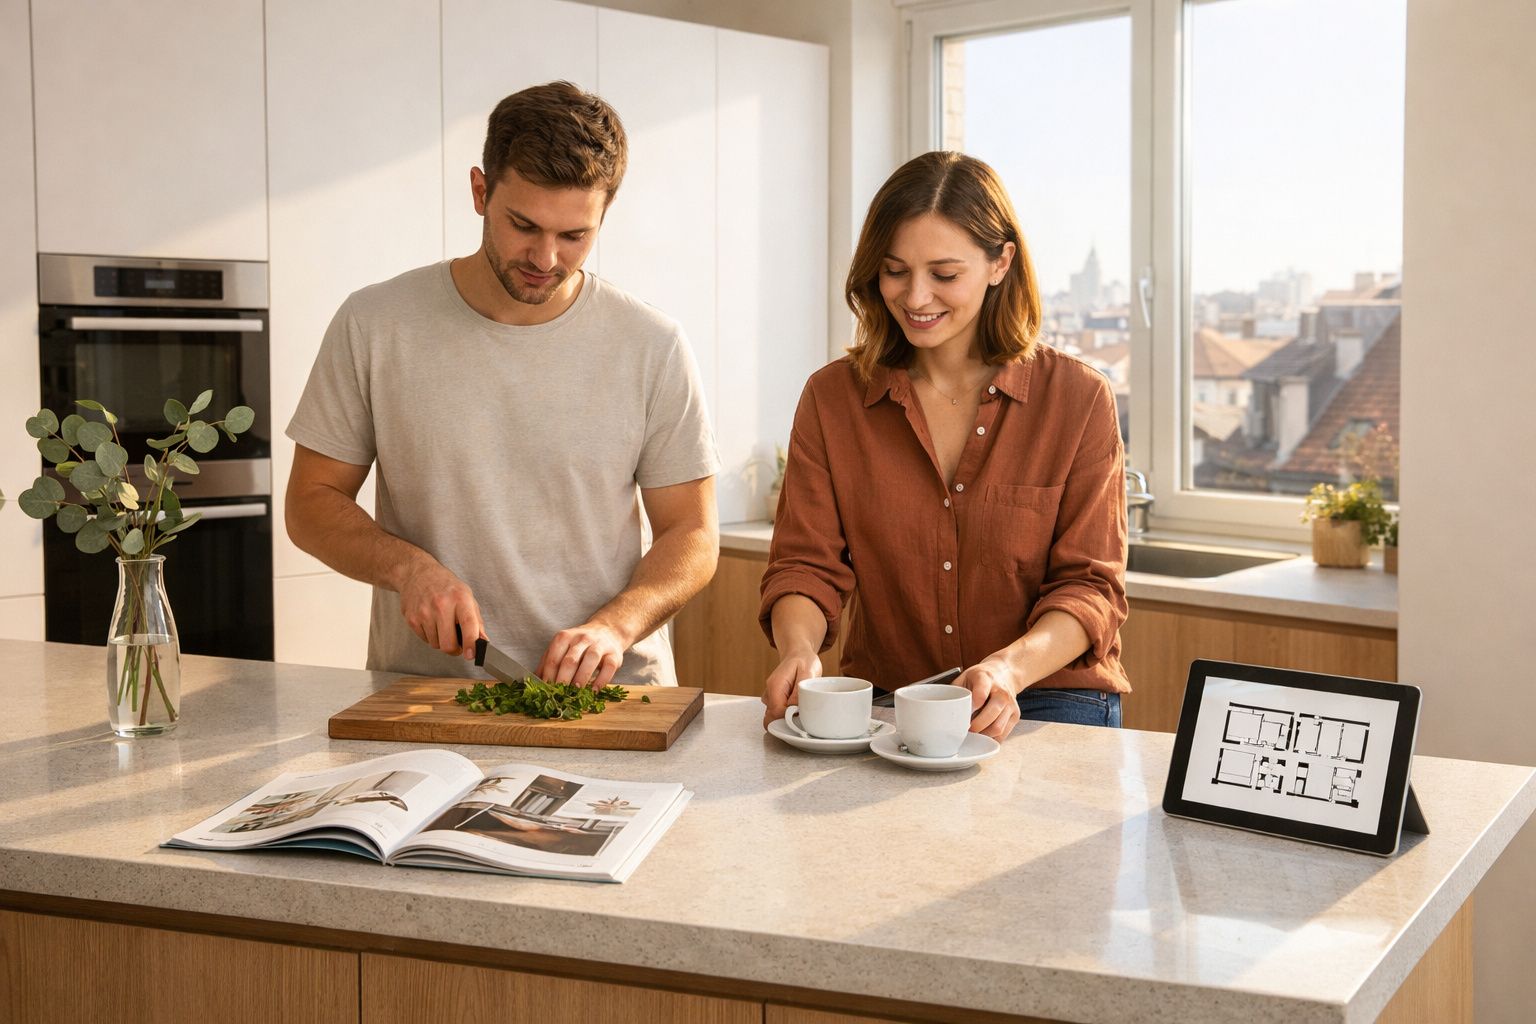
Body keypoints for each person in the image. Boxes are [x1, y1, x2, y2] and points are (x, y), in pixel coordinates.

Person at [285, 81, 720, 689]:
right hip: (428, 693)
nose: (546, 258)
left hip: (610, 697)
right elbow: (310, 504)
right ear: (480, 191)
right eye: (524, 225)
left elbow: (693, 534)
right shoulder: (375, 323)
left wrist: (616, 626)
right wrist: (408, 569)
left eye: (575, 236)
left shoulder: (653, 344)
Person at [759, 151, 1129, 739]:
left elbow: (1091, 587)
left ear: (1000, 261)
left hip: (1048, 699)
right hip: (890, 702)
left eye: (944, 274)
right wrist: (799, 649)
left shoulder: (1078, 399)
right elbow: (805, 565)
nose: (916, 296)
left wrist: (1008, 669)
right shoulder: (833, 399)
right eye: (895, 270)